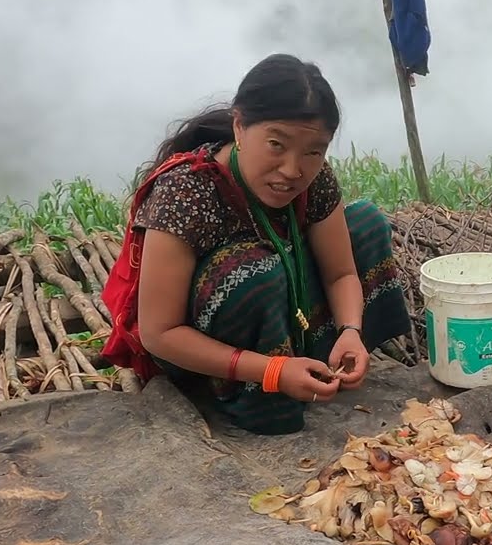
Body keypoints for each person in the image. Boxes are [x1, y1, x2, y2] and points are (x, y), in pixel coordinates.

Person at [101, 54, 412, 435]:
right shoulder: (184, 195)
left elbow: (341, 273)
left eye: (314, 151)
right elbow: (159, 334)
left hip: (285, 319)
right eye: (276, 145)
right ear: (239, 126)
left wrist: (350, 330)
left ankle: (324, 362)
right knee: (251, 273)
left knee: (365, 223)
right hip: (208, 353)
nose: (293, 170)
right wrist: (271, 371)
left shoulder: (315, 181)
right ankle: (251, 400)